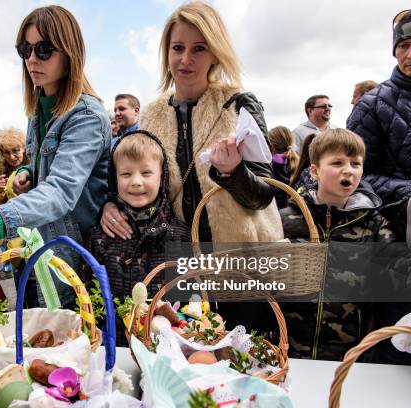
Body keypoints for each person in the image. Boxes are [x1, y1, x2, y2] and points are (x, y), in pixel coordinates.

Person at [99, 1, 282, 336]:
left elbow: (268, 193)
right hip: (184, 266)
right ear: (166, 53)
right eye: (177, 48)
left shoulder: (240, 103)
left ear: (215, 52)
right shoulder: (152, 114)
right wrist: (111, 203)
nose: (185, 60)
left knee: (247, 364)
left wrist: (233, 173)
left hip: (243, 264)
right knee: (191, 358)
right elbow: (138, 176)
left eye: (199, 48)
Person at [0, 5, 111, 307]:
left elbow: (61, 192)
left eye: (44, 49)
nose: (31, 59)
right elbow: (45, 171)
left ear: (71, 53)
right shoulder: (40, 107)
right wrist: (28, 174)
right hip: (41, 241)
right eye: (25, 49)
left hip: (75, 249)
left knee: (68, 341)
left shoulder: (87, 116)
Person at [280, 129, 395, 360]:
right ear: (315, 171)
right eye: (337, 162)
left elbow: (399, 267)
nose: (348, 170)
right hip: (288, 349)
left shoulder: (373, 223)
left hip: (351, 355)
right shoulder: (286, 220)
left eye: (355, 163)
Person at [347, 8, 411, 365]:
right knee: (396, 352)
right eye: (404, 45)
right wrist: (407, 194)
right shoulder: (372, 106)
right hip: (395, 256)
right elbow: (355, 179)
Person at [88, 130, 190, 346]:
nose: (136, 181)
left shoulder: (179, 234)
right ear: (114, 179)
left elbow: (192, 295)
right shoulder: (101, 235)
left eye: (146, 173)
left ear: (162, 177)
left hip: (166, 347)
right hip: (114, 346)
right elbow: (89, 295)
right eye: (126, 174)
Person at [0, 128, 29, 205]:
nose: (12, 157)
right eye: (7, 152)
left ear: (23, 148)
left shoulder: (33, 163)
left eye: (15, 150)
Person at [268, 126, 300, 208]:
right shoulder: (298, 162)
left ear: (270, 145)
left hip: (278, 214)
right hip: (294, 212)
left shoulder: (271, 165)